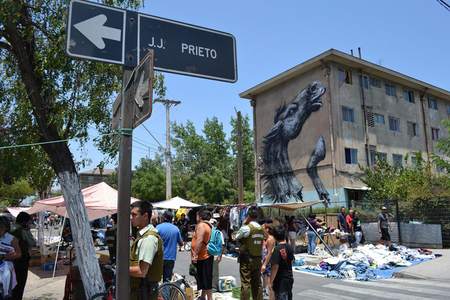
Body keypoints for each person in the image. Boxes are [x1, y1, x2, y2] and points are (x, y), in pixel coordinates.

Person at [129, 201, 163, 300]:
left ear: (145, 216)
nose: (131, 218)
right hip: (141, 291)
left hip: (144, 292)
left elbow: (141, 271)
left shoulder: (148, 239)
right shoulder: (143, 236)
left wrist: (120, 269)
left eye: (134, 214)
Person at [232, 206, 264, 300]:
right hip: (258, 258)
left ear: (248, 215)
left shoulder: (246, 228)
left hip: (247, 259)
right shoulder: (261, 229)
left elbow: (236, 237)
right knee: (257, 283)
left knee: (246, 283)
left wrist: (244, 223)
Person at [11, 212, 35, 300]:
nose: (29, 224)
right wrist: (28, 230)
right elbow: (32, 243)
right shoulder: (22, 230)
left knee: (11, 286)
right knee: (19, 286)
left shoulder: (10, 228)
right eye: (29, 222)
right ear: (24, 222)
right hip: (21, 261)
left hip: (9, 261)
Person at [191, 209, 213, 300]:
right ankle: (203, 297)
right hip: (205, 256)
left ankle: (210, 298)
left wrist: (195, 254)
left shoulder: (201, 225)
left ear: (200, 217)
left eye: (197, 216)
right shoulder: (208, 225)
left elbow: (199, 240)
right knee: (204, 279)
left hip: (203, 256)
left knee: (206, 280)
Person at [156, 210, 183, 282]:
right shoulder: (176, 229)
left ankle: (156, 293)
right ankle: (166, 293)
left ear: (164, 217)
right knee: (167, 280)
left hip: (159, 257)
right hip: (171, 257)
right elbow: (181, 243)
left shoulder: (158, 227)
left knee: (156, 279)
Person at [269, 225, 294, 300]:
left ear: (275, 236)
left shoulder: (276, 249)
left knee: (281, 296)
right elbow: (292, 261)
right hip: (289, 277)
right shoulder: (290, 247)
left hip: (280, 280)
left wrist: (271, 281)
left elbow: (275, 267)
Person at [0, 216, 21, 298]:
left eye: (1, 227)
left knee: (4, 294)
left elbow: (19, 253)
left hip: (5, 268)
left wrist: (5, 257)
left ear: (6, 228)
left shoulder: (12, 239)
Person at [261, 219, 275, 300]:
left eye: (263, 228)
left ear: (267, 229)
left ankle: (271, 295)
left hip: (268, 261)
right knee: (264, 276)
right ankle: (264, 290)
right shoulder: (265, 238)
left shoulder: (270, 239)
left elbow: (269, 253)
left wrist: (264, 264)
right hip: (264, 260)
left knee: (270, 280)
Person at [210, 218, 225, 292]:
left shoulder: (217, 232)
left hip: (212, 254)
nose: (212, 225)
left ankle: (213, 287)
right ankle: (211, 286)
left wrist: (220, 256)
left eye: (213, 224)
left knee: (214, 271)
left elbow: (222, 245)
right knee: (212, 270)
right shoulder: (217, 232)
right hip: (213, 254)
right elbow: (222, 245)